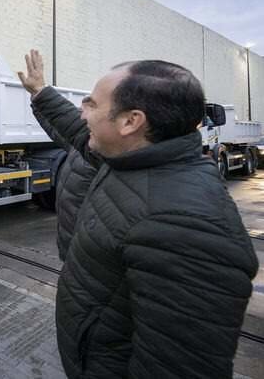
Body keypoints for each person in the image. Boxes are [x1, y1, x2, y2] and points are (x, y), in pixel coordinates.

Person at [18, 49, 258, 378]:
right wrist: (40, 92)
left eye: (92, 104)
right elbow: (76, 130)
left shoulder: (187, 227)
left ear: (131, 121)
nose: (82, 111)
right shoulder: (135, 158)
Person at [31, 106, 97, 262]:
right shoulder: (81, 145)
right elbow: (57, 129)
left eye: (92, 106)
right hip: (69, 242)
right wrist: (37, 100)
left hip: (87, 247)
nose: (81, 109)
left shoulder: (106, 152)